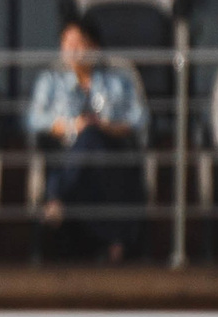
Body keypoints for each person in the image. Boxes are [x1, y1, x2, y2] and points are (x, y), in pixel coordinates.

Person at [29, 20, 148, 261]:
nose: (71, 50)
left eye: (78, 43)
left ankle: (56, 197)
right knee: (87, 140)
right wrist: (72, 126)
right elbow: (34, 120)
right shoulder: (50, 80)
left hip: (112, 149)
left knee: (93, 137)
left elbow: (139, 118)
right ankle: (115, 242)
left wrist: (107, 127)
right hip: (67, 152)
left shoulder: (119, 79)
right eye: (66, 43)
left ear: (94, 48)